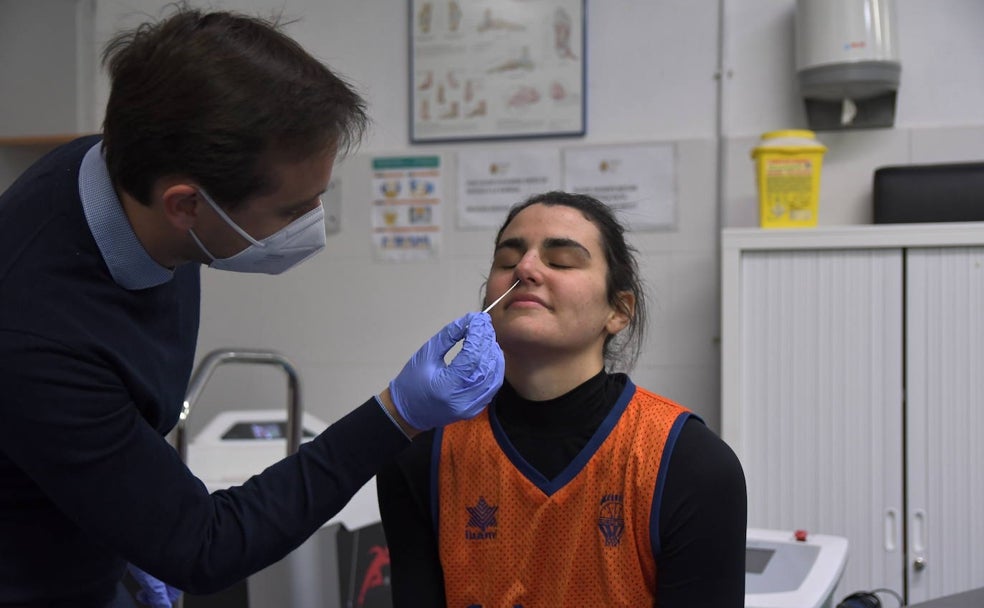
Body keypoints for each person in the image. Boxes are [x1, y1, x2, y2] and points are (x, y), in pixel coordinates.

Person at [0, 5, 504, 607]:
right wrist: (395, 415)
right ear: (185, 206)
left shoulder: (133, 171)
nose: (312, 226)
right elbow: (207, 548)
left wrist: (130, 507)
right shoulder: (34, 332)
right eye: (293, 211)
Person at [377, 191, 747, 607]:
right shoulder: (424, 454)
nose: (525, 268)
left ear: (619, 311)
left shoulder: (688, 463)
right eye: (506, 260)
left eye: (561, 262)